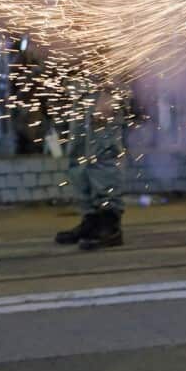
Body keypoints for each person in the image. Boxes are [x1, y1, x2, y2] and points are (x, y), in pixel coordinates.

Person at [54, 83, 126, 250]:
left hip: (103, 89)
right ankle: (92, 218)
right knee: (78, 154)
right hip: (81, 90)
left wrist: (109, 94)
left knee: (102, 153)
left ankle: (109, 222)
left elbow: (120, 58)